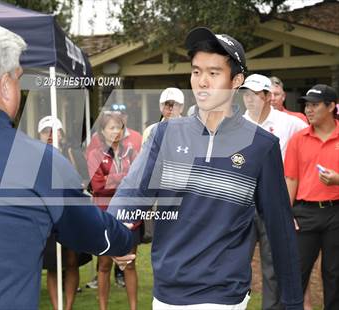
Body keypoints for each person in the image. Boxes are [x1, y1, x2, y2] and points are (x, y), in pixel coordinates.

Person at [0, 21, 134, 310]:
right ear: (6, 85)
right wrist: (123, 243)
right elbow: (96, 232)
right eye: (19, 78)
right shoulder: (38, 162)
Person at [108, 27, 303, 310]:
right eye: (196, 71)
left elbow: (280, 228)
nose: (202, 82)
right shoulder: (165, 134)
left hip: (223, 294)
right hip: (166, 293)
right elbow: (132, 190)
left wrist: (293, 301)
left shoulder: (262, 145)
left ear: (236, 80)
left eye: (213, 73)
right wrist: (118, 234)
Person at [241, 74, 307, 310]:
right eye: (245, 94)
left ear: (269, 97)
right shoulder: (236, 124)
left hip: (275, 203)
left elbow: (309, 147)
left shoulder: (291, 123)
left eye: (255, 95)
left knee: (273, 265)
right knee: (237, 261)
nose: (249, 100)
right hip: (244, 204)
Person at [284, 84, 339, 310]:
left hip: (337, 213)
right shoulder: (298, 139)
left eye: (315, 105)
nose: (308, 110)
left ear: (331, 106)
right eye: (307, 105)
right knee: (297, 271)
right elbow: (291, 180)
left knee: (334, 274)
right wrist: (287, 214)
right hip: (304, 213)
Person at [87, 111, 140, 310]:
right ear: (102, 131)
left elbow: (136, 181)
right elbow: (98, 186)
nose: (116, 131)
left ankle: (133, 308)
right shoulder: (94, 154)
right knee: (104, 266)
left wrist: (118, 180)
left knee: (130, 264)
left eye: (119, 127)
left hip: (128, 215)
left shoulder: (131, 152)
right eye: (111, 127)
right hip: (104, 216)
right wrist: (122, 180)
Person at [38, 116, 91, 310]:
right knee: (52, 263)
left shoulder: (72, 153)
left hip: (71, 214)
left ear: (61, 133)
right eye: (46, 131)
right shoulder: (34, 156)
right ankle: (56, 307)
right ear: (40, 135)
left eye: (54, 130)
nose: (50, 135)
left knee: (71, 260)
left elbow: (85, 180)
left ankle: (67, 306)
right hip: (47, 216)